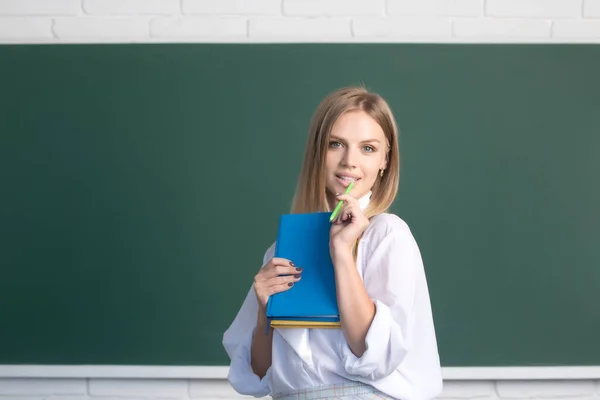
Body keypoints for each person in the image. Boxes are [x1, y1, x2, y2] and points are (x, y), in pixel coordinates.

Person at [222, 86, 442, 400]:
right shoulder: (283, 248)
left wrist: (341, 252)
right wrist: (263, 311)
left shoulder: (386, 234)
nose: (350, 161)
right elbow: (259, 376)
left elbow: (372, 355)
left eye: (368, 148)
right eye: (336, 144)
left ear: (384, 159)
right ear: (317, 151)